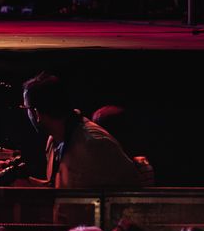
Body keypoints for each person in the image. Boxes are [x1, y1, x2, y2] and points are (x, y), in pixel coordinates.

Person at [8, 73, 142, 191]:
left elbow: (134, 194)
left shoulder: (94, 144)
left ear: (36, 113)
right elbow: (59, 190)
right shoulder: (54, 140)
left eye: (26, 108)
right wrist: (25, 181)